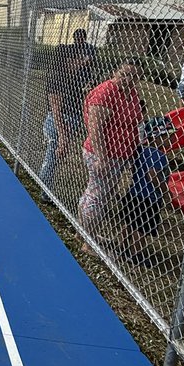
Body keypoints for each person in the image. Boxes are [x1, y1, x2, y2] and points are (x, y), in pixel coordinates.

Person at [78, 58, 144, 242]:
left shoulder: (131, 93)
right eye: (124, 74)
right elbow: (95, 127)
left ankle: (83, 233)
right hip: (104, 154)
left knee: (100, 194)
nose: (128, 79)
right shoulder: (106, 92)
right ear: (115, 72)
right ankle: (87, 241)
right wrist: (102, 158)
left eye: (134, 76)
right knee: (96, 196)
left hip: (120, 155)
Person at [116, 115, 176, 266]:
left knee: (129, 223)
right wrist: (165, 191)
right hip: (149, 198)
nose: (172, 139)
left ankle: (121, 246)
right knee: (141, 229)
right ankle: (135, 254)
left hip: (133, 193)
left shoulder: (141, 150)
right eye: (168, 136)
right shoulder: (158, 154)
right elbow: (153, 175)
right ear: (157, 137)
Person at [38, 46, 86, 185]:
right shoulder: (57, 78)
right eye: (78, 58)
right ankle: (45, 190)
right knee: (52, 158)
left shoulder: (73, 77)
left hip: (66, 121)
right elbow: (56, 110)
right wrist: (63, 136)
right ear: (68, 60)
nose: (81, 62)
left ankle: (45, 185)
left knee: (54, 158)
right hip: (59, 123)